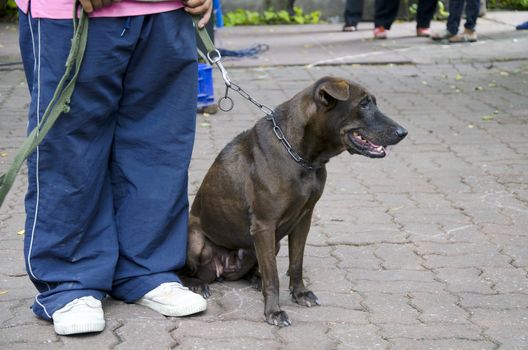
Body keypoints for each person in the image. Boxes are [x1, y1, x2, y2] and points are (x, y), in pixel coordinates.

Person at [15, 0, 212, 336]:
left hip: (166, 11)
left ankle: (148, 269)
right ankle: (70, 281)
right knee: (69, 149)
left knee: (159, 145)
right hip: (74, 12)